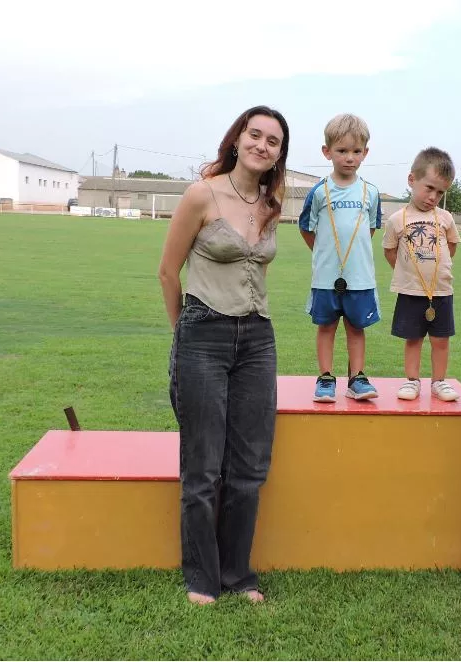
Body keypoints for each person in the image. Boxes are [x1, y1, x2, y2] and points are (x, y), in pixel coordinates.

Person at [158, 105, 289, 605]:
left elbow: (258, 269)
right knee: (204, 466)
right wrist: (185, 335)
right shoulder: (202, 195)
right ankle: (201, 578)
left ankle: (238, 574)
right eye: (254, 135)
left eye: (273, 140)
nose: (262, 145)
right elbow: (168, 272)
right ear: (237, 140)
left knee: (250, 466)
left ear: (279, 153)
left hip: (258, 338)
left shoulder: (271, 201)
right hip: (203, 332)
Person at [298, 113, 382, 402]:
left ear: (365, 153)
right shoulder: (319, 191)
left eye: (356, 151)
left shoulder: (370, 192)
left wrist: (349, 259)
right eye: (342, 151)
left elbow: (369, 230)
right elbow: (306, 229)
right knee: (326, 326)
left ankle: (357, 378)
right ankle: (325, 378)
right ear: (327, 152)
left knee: (357, 328)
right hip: (326, 277)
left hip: (359, 277)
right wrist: (326, 255)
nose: (349, 158)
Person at [382, 147, 461, 401]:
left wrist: (436, 270)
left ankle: (439, 381)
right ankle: (412, 380)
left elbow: (451, 247)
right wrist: (409, 273)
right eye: (429, 188)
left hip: (441, 291)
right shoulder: (397, 219)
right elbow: (390, 251)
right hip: (411, 291)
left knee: (441, 340)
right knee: (413, 339)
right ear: (412, 180)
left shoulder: (446, 218)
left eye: (440, 192)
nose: (433, 197)